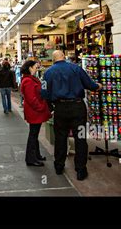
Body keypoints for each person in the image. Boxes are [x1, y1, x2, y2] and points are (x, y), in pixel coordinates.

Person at [41, 50, 102, 180]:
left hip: (60, 109)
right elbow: (89, 85)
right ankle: (80, 170)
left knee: (60, 137)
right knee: (80, 138)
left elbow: (44, 93)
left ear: (53, 59)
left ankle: (59, 166)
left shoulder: (48, 73)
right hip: (78, 108)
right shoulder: (76, 68)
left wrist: (51, 107)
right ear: (64, 56)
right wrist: (98, 86)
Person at [20, 60, 51, 167]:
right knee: (33, 135)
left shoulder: (30, 79)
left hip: (34, 111)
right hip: (34, 112)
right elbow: (31, 98)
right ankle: (30, 158)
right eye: (35, 67)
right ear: (30, 68)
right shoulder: (28, 81)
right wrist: (41, 106)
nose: (36, 69)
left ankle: (36, 155)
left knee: (34, 134)